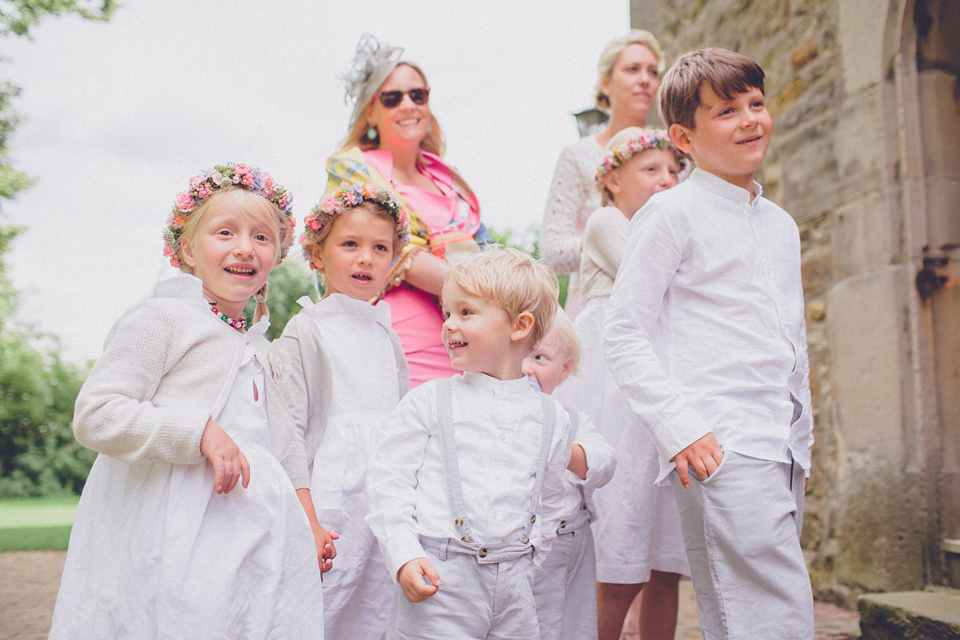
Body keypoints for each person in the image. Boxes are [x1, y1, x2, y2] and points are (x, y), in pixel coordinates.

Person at [49, 164, 326, 639]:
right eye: (225, 232)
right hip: (173, 535)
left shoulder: (262, 346)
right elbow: (96, 414)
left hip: (256, 532)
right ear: (186, 252)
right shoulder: (161, 319)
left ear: (277, 256)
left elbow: (286, 448)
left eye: (261, 237)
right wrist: (195, 431)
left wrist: (310, 522)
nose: (245, 247)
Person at [603, 48, 815, 639]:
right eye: (726, 111)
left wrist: (802, 435)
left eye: (756, 104)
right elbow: (624, 332)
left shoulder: (780, 225)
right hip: (722, 437)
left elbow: (788, 340)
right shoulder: (671, 214)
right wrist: (682, 426)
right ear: (683, 137)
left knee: (741, 612)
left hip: (781, 441)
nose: (750, 119)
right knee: (780, 608)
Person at [365, 248, 570, 639]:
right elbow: (388, 484)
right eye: (447, 313)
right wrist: (405, 554)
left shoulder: (552, 417)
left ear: (519, 325)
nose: (448, 325)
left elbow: (550, 499)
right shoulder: (429, 400)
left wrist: (528, 562)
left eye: (466, 313)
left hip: (515, 588)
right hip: (441, 578)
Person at [271, 184, 411, 640]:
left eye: (379, 247)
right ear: (316, 255)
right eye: (350, 244)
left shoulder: (385, 334)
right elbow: (289, 429)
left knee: (376, 607)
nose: (366, 258)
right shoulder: (306, 330)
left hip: (383, 496)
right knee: (323, 606)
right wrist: (308, 519)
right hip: (331, 498)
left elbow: (403, 422)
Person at [571, 127, 690, 640]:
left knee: (666, 562)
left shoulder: (677, 226)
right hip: (616, 385)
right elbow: (663, 282)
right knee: (621, 551)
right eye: (650, 170)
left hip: (664, 378)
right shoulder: (607, 222)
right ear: (612, 179)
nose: (666, 179)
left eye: (673, 170)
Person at [327, 33, 489, 387]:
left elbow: (485, 248)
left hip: (470, 342)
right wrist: (488, 293)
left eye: (418, 95)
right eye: (392, 98)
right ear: (370, 110)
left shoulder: (450, 179)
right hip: (399, 336)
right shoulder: (352, 169)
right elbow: (398, 251)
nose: (408, 105)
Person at [540, 29, 665, 316]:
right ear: (606, 84)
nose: (645, 79)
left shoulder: (670, 157)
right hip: (596, 307)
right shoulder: (578, 156)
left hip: (663, 303)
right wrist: (608, 241)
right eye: (633, 69)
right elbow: (552, 250)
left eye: (653, 71)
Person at [524, 309, 616, 640]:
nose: (526, 368)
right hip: (514, 546)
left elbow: (603, 463)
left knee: (570, 624)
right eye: (518, 354)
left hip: (567, 543)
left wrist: (564, 450)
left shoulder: (572, 421)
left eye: (539, 357)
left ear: (564, 368)